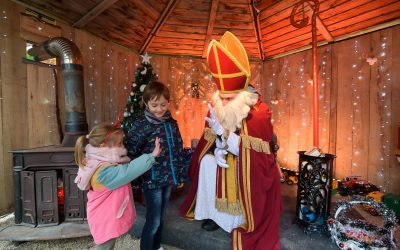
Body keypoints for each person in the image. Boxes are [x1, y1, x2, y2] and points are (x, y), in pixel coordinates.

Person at [180, 31, 282, 250]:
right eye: (222, 97)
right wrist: (216, 148)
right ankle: (212, 215)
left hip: (249, 165)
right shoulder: (218, 104)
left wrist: (226, 137)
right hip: (224, 155)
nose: (224, 102)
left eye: (230, 99)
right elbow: (210, 141)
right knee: (206, 163)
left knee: (237, 169)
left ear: (242, 95)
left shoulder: (259, 112)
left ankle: (236, 220)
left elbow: (259, 154)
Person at [74, 123, 161, 250]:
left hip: (102, 215)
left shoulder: (95, 160)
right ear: (103, 146)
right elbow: (127, 172)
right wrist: (151, 156)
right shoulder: (103, 171)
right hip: (104, 218)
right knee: (105, 246)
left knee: (106, 245)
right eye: (119, 144)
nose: (123, 147)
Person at [125, 81, 187, 250]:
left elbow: (178, 150)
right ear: (146, 104)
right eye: (154, 105)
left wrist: (180, 175)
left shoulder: (171, 123)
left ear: (168, 103)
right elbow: (131, 152)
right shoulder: (140, 125)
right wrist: (136, 178)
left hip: (168, 178)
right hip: (151, 180)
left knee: (161, 217)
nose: (159, 109)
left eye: (163, 104)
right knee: (153, 220)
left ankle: (157, 245)